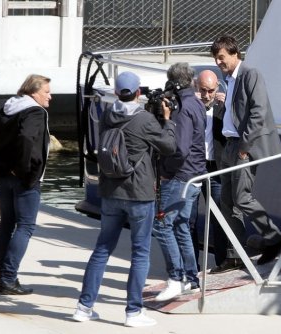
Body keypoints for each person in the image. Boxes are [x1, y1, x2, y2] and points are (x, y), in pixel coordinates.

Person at [73, 71, 176, 327]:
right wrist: (167, 120)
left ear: (117, 93)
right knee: (140, 252)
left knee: (102, 249)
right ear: (138, 92)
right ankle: (133, 312)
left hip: (109, 192)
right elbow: (170, 147)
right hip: (139, 194)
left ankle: (84, 307)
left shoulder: (107, 116)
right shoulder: (145, 120)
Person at [209, 35, 281, 274]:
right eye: (216, 58)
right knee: (227, 202)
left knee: (241, 198)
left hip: (243, 146)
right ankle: (235, 255)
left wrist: (244, 147)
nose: (218, 62)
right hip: (229, 146)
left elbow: (258, 112)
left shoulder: (250, 75)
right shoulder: (229, 80)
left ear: (234, 54)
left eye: (221, 57)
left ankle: (274, 237)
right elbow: (236, 112)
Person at [0, 74, 51, 295]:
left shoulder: (1, 106)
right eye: (46, 92)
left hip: (1, 175)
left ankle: (2, 273)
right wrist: (24, 170)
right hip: (23, 179)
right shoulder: (35, 111)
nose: (50, 97)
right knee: (25, 226)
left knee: (7, 223)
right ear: (33, 92)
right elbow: (26, 138)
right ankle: (8, 278)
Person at [153, 62, 206, 301]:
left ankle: (175, 278)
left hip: (180, 175)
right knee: (181, 226)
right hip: (194, 175)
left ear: (173, 83)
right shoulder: (196, 103)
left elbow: (180, 148)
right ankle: (191, 279)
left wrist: (165, 171)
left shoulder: (183, 108)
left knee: (163, 226)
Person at [189, 69, 228, 267]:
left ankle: (222, 263)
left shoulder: (224, 107)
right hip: (194, 168)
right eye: (202, 90)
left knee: (219, 218)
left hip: (215, 169)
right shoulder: (189, 107)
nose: (206, 95)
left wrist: (227, 103)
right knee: (190, 218)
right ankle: (191, 267)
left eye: (210, 91)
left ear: (217, 88)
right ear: (196, 87)